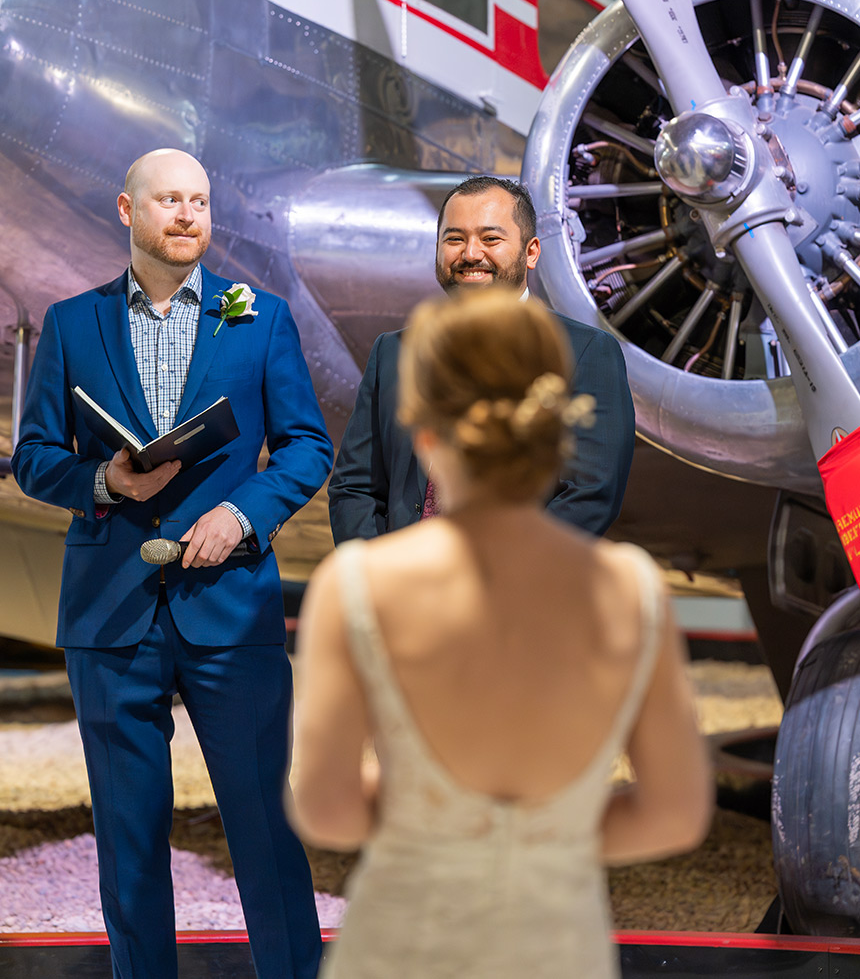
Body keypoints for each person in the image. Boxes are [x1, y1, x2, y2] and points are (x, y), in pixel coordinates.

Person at [290, 288, 712, 979]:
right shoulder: (629, 588)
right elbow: (675, 813)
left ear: (425, 435)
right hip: (557, 945)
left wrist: (443, 833)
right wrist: (546, 839)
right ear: (556, 428)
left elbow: (326, 809)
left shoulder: (359, 585)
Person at [12, 149, 333, 979]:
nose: (187, 214)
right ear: (127, 209)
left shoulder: (258, 317)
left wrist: (242, 512)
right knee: (127, 838)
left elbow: (306, 446)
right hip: (110, 615)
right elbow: (35, 455)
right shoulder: (73, 322)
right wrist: (103, 478)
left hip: (232, 607)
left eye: (199, 200)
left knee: (265, 828)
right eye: (168, 200)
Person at [328, 175, 634, 541]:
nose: (471, 254)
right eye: (454, 239)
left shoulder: (586, 352)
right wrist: (376, 576)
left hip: (518, 587)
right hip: (401, 587)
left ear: (531, 251)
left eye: (491, 238)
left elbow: (590, 493)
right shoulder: (393, 352)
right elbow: (354, 486)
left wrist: (485, 576)